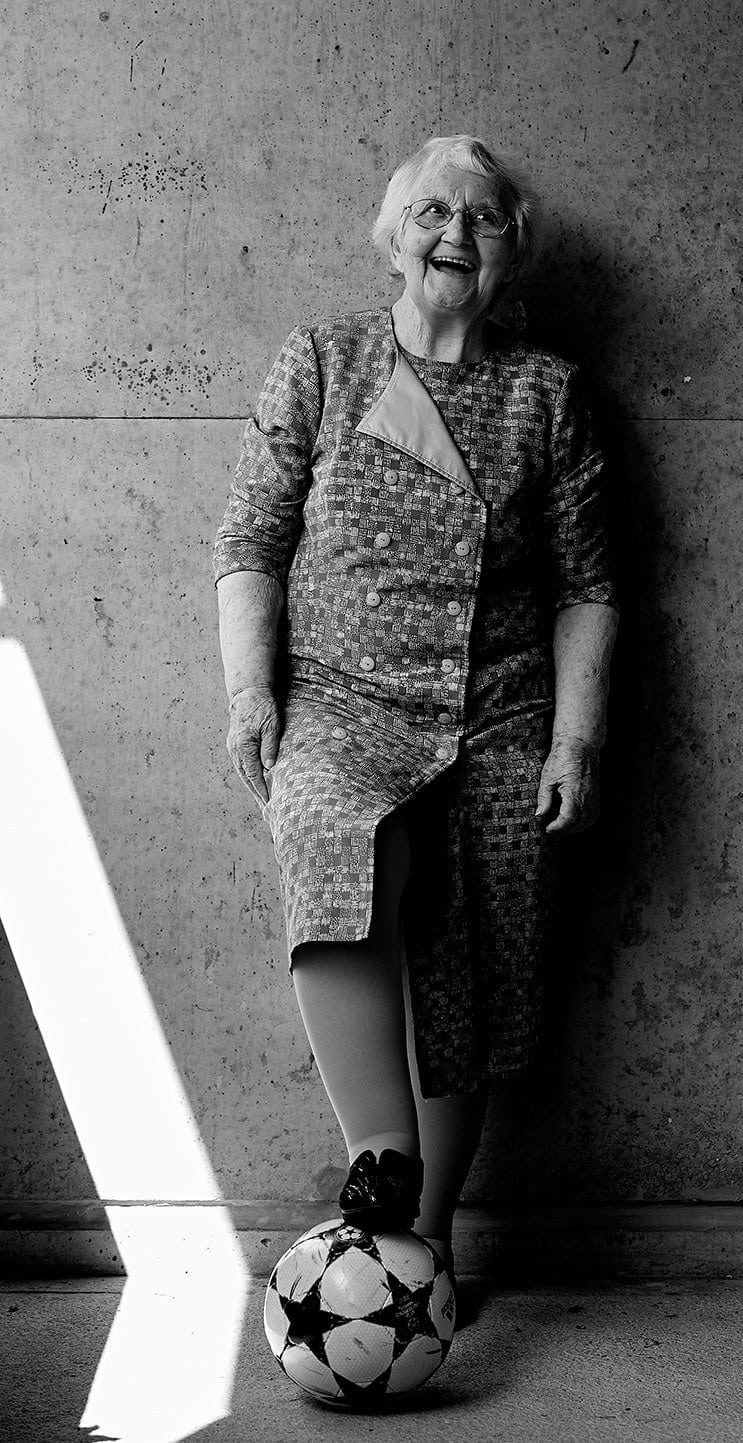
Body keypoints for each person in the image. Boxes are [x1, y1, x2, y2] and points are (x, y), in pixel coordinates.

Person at [213, 135, 618, 1277]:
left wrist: (575, 738)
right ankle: (382, 1151)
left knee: (472, 961)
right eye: (433, 212)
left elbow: (589, 586)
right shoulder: (324, 359)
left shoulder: (548, 393)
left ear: (510, 255)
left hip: (498, 713)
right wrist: (250, 690)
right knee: (335, 835)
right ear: (393, 239)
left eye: (484, 219)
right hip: (341, 697)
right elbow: (250, 540)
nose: (456, 234)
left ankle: (422, 1254)